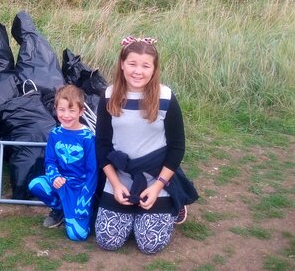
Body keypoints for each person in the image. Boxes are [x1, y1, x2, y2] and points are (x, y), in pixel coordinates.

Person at [94, 36, 198, 254]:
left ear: (154, 68)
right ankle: (131, 214)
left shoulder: (166, 96)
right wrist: (115, 184)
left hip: (155, 177)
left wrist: (157, 186)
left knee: (149, 245)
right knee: (107, 241)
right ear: (122, 64)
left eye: (145, 65)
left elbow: (177, 147)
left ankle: (172, 203)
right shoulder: (108, 95)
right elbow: (102, 144)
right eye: (132, 64)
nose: (138, 71)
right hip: (120, 176)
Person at [28, 85, 97, 241]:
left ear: (81, 112)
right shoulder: (55, 133)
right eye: (62, 110)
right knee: (35, 185)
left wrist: (84, 199)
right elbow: (50, 161)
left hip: (79, 188)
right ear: (55, 109)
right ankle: (59, 210)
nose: (66, 115)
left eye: (72, 111)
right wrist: (54, 177)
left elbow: (93, 172)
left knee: (77, 236)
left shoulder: (87, 138)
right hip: (60, 184)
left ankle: (78, 211)